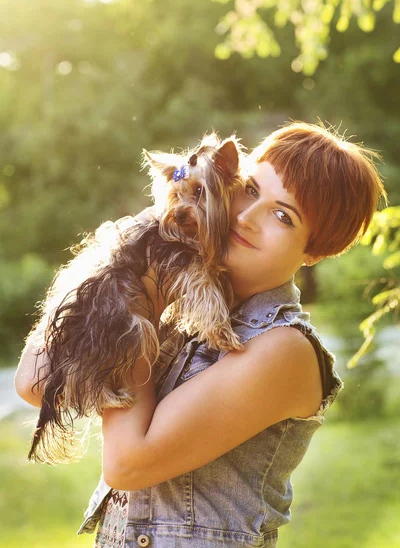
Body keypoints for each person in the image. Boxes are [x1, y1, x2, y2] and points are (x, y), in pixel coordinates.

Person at [15, 121, 387, 548]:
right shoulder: (179, 311)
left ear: (315, 252)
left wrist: (134, 295)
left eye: (282, 216)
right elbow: (35, 381)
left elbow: (127, 463)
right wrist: (113, 260)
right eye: (249, 190)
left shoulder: (283, 349)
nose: (246, 218)